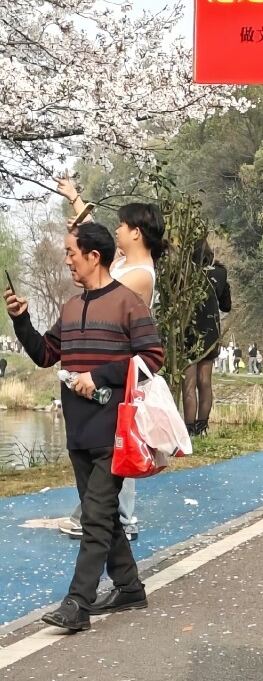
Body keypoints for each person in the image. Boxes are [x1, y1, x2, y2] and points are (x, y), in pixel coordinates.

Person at [4, 222, 164, 631]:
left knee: (94, 518)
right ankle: (129, 587)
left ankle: (78, 603)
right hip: (78, 432)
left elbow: (152, 358)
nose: (67, 259)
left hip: (114, 430)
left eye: (72, 252)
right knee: (103, 517)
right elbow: (45, 354)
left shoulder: (128, 303)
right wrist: (21, 321)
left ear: (94, 256)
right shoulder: (71, 307)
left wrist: (102, 375)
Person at [56, 182, 167, 542]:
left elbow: (101, 274)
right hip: (106, 369)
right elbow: (93, 237)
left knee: (121, 439)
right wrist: (75, 199)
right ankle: (99, 515)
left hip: (120, 368)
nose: (116, 229)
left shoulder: (138, 274)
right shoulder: (122, 262)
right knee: (112, 443)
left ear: (136, 232)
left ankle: (121, 516)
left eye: (121, 225)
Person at [182, 239, 232, 437]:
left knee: (189, 384)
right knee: (205, 382)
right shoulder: (220, 273)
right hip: (211, 332)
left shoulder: (185, 274)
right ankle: (202, 428)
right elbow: (226, 305)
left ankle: (189, 430)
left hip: (188, 332)